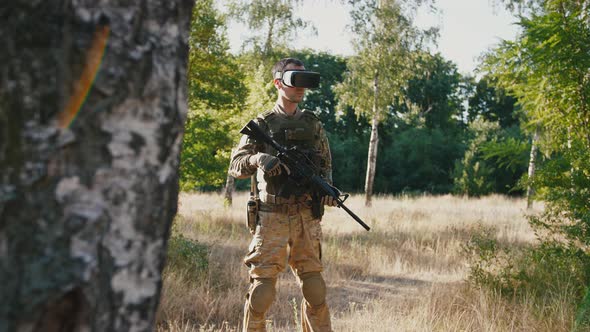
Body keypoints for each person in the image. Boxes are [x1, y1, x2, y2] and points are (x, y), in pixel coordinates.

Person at [229, 57, 336, 332]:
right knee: (262, 293)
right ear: (279, 83)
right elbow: (235, 167)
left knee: (315, 290)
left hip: (305, 217)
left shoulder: (313, 124)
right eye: (294, 81)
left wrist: (327, 191)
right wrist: (257, 159)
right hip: (271, 216)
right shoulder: (261, 124)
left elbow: (325, 166)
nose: (300, 88)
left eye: (304, 82)